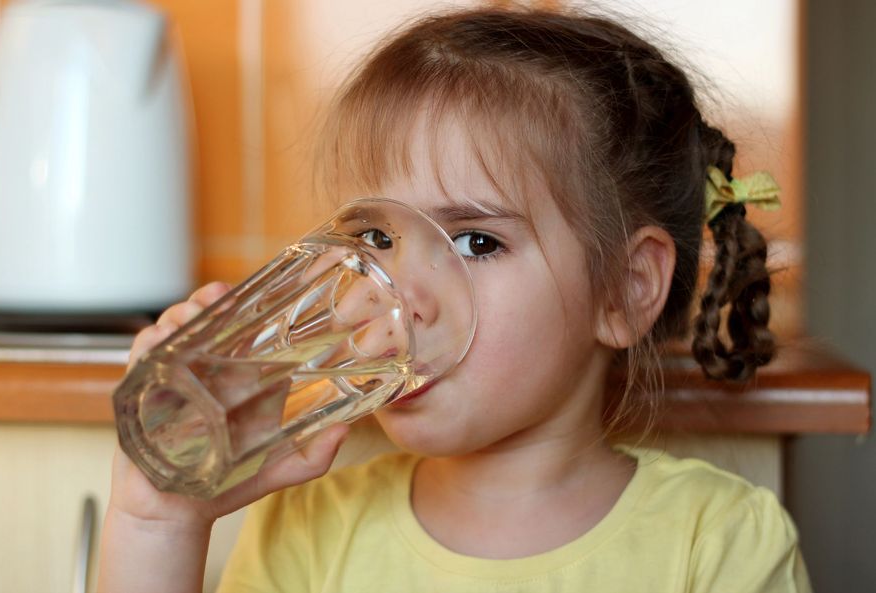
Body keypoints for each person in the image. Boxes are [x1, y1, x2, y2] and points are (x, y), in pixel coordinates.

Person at [97, 5, 811, 592]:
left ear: (625, 290)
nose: (400, 298)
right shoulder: (310, 527)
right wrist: (158, 523)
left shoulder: (719, 545)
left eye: (475, 242)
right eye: (376, 237)